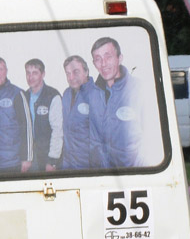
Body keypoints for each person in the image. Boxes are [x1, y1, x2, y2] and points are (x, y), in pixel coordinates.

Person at [91, 36, 144, 168]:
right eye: (98, 59)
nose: (103, 64)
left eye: (108, 56)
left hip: (132, 173)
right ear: (94, 63)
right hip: (99, 174)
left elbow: (151, 138)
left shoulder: (139, 90)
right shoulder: (91, 94)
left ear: (120, 58)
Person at [0, 56, 33, 173]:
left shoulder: (17, 93)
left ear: (6, 71)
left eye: (1, 69)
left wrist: (27, 158)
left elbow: (27, 126)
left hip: (13, 161)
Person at [60, 55, 106, 169]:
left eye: (76, 72)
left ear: (86, 72)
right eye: (68, 73)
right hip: (68, 163)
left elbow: (100, 138)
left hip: (88, 165)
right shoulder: (66, 94)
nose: (71, 77)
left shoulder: (95, 95)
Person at [23, 58, 63, 171]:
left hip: (47, 156)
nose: (31, 77)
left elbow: (57, 130)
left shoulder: (53, 96)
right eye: (28, 73)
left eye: (35, 73)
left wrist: (53, 161)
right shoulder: (23, 97)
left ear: (43, 74)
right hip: (29, 157)